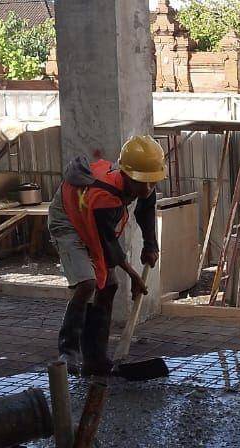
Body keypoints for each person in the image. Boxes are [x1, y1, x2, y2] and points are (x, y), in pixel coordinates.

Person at [48, 134, 167, 376]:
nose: (147, 188)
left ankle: (95, 360)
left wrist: (151, 246)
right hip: (68, 219)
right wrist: (134, 276)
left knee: (109, 285)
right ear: (125, 174)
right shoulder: (106, 197)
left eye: (152, 183)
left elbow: (145, 212)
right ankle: (68, 350)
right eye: (141, 182)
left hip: (92, 220)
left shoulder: (145, 181)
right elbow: (108, 246)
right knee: (87, 284)